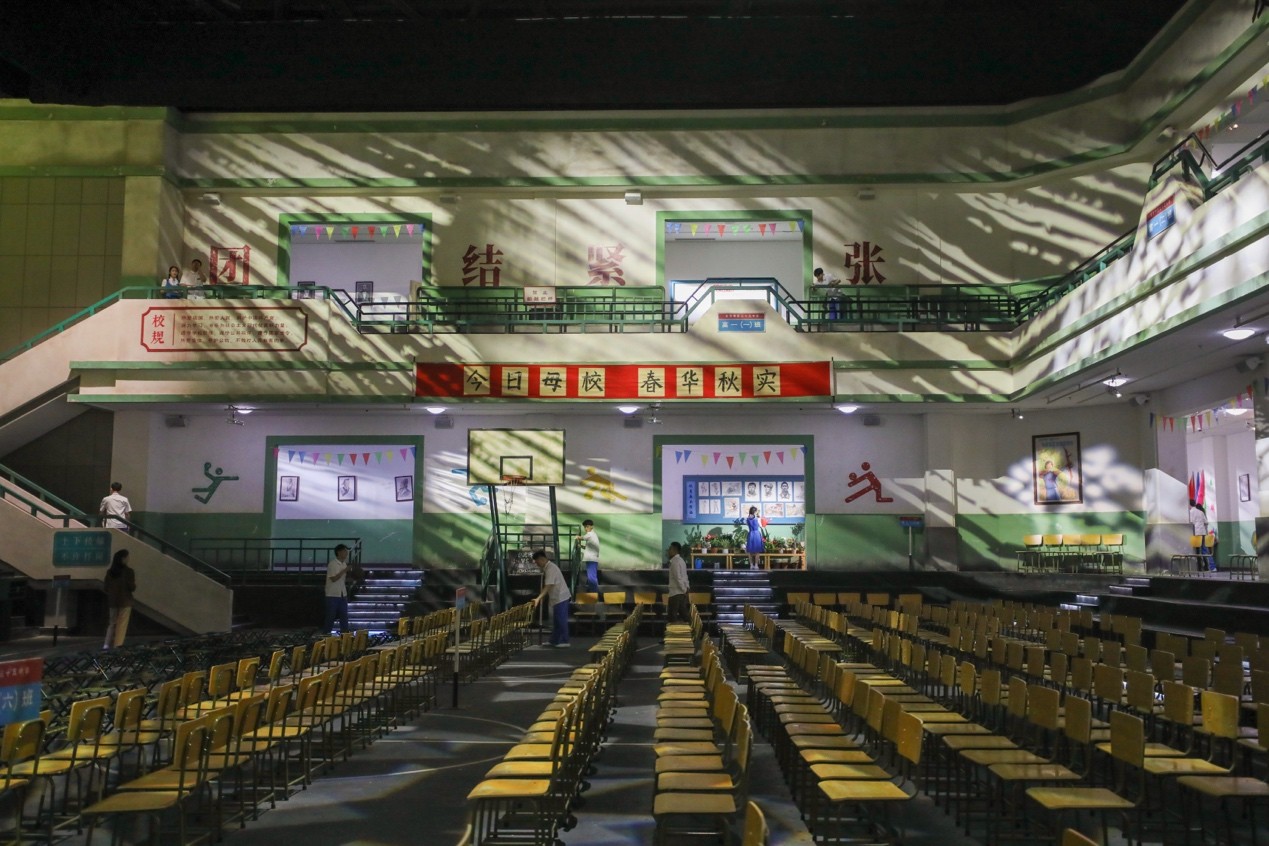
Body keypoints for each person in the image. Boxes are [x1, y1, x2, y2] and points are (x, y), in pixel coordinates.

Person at [532, 549, 571, 647]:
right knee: (557, 620)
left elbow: (548, 585)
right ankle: (554, 640)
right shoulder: (548, 568)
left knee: (561, 620)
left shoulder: (551, 569)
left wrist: (538, 598)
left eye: (537, 562)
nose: (537, 564)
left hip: (561, 597)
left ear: (541, 559)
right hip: (557, 597)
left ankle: (564, 641)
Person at [103, 549, 136, 650]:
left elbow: (106, 587)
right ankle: (117, 645)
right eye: (127, 557)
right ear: (123, 559)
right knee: (122, 625)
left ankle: (106, 645)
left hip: (113, 601)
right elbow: (132, 587)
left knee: (112, 623)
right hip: (125, 601)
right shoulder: (129, 572)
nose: (128, 559)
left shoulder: (110, 572)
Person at [325, 543, 351, 634]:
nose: (346, 553)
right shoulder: (333, 564)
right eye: (344, 551)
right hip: (332, 594)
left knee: (344, 616)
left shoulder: (344, 564)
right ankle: (326, 635)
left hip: (342, 594)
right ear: (339, 552)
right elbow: (333, 579)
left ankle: (345, 635)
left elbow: (342, 579)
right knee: (330, 616)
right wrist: (345, 570)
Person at [1189, 500, 1217, 571]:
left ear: (1189, 505)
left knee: (1196, 551)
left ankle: (1199, 568)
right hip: (1203, 533)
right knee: (1205, 550)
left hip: (1195, 533)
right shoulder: (1201, 512)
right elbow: (1206, 522)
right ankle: (1210, 567)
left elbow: (1191, 523)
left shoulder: (1190, 512)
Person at [666, 542, 690, 623]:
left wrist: (684, 589)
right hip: (681, 592)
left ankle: (675, 631)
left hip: (675, 593)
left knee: (672, 616)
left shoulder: (675, 562)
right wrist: (686, 588)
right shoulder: (681, 561)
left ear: (674, 550)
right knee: (684, 615)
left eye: (670, 549)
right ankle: (692, 628)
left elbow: (678, 578)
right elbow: (685, 576)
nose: (668, 551)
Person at [578, 519, 600, 592]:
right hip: (592, 559)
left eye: (587, 526)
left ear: (591, 527)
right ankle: (594, 592)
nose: (586, 528)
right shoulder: (593, 535)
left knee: (591, 577)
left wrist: (577, 537)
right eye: (585, 527)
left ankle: (593, 593)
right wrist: (581, 546)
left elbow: (583, 537)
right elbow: (589, 547)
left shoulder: (590, 534)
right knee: (592, 577)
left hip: (591, 559)